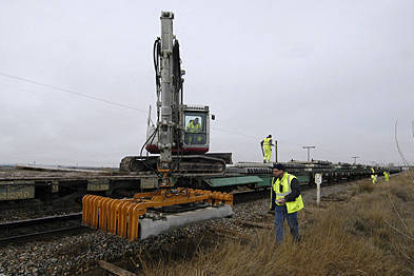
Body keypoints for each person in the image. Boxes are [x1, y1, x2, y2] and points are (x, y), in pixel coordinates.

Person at [270, 163, 304, 244]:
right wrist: (272, 206)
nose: (274, 173)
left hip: (290, 207)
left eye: (276, 171)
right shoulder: (275, 180)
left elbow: (297, 192)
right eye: (273, 171)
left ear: (282, 171)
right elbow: (274, 193)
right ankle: (279, 244)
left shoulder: (291, 179)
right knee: (278, 225)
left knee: (293, 226)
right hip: (279, 207)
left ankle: (297, 240)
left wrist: (285, 199)